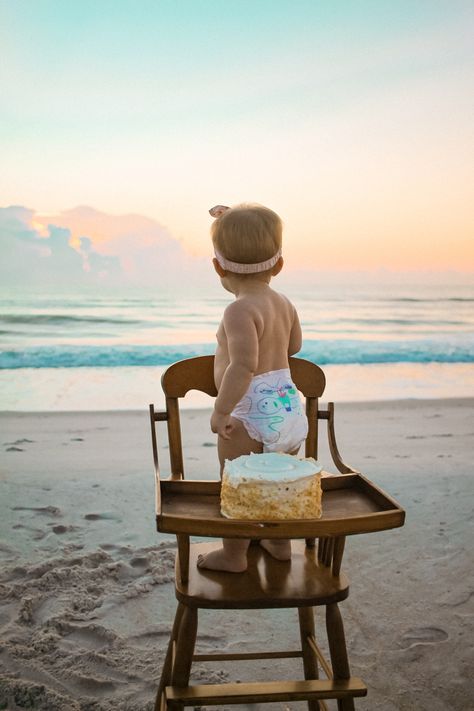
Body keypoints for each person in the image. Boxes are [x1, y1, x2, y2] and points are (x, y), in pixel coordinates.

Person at [197, 203, 308, 572]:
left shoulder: (238, 310)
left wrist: (221, 410)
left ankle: (233, 556)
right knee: (279, 481)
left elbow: (243, 367)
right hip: (287, 404)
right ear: (278, 265)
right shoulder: (285, 303)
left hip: (249, 409)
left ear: (218, 267)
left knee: (239, 484)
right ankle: (278, 543)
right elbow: (294, 348)